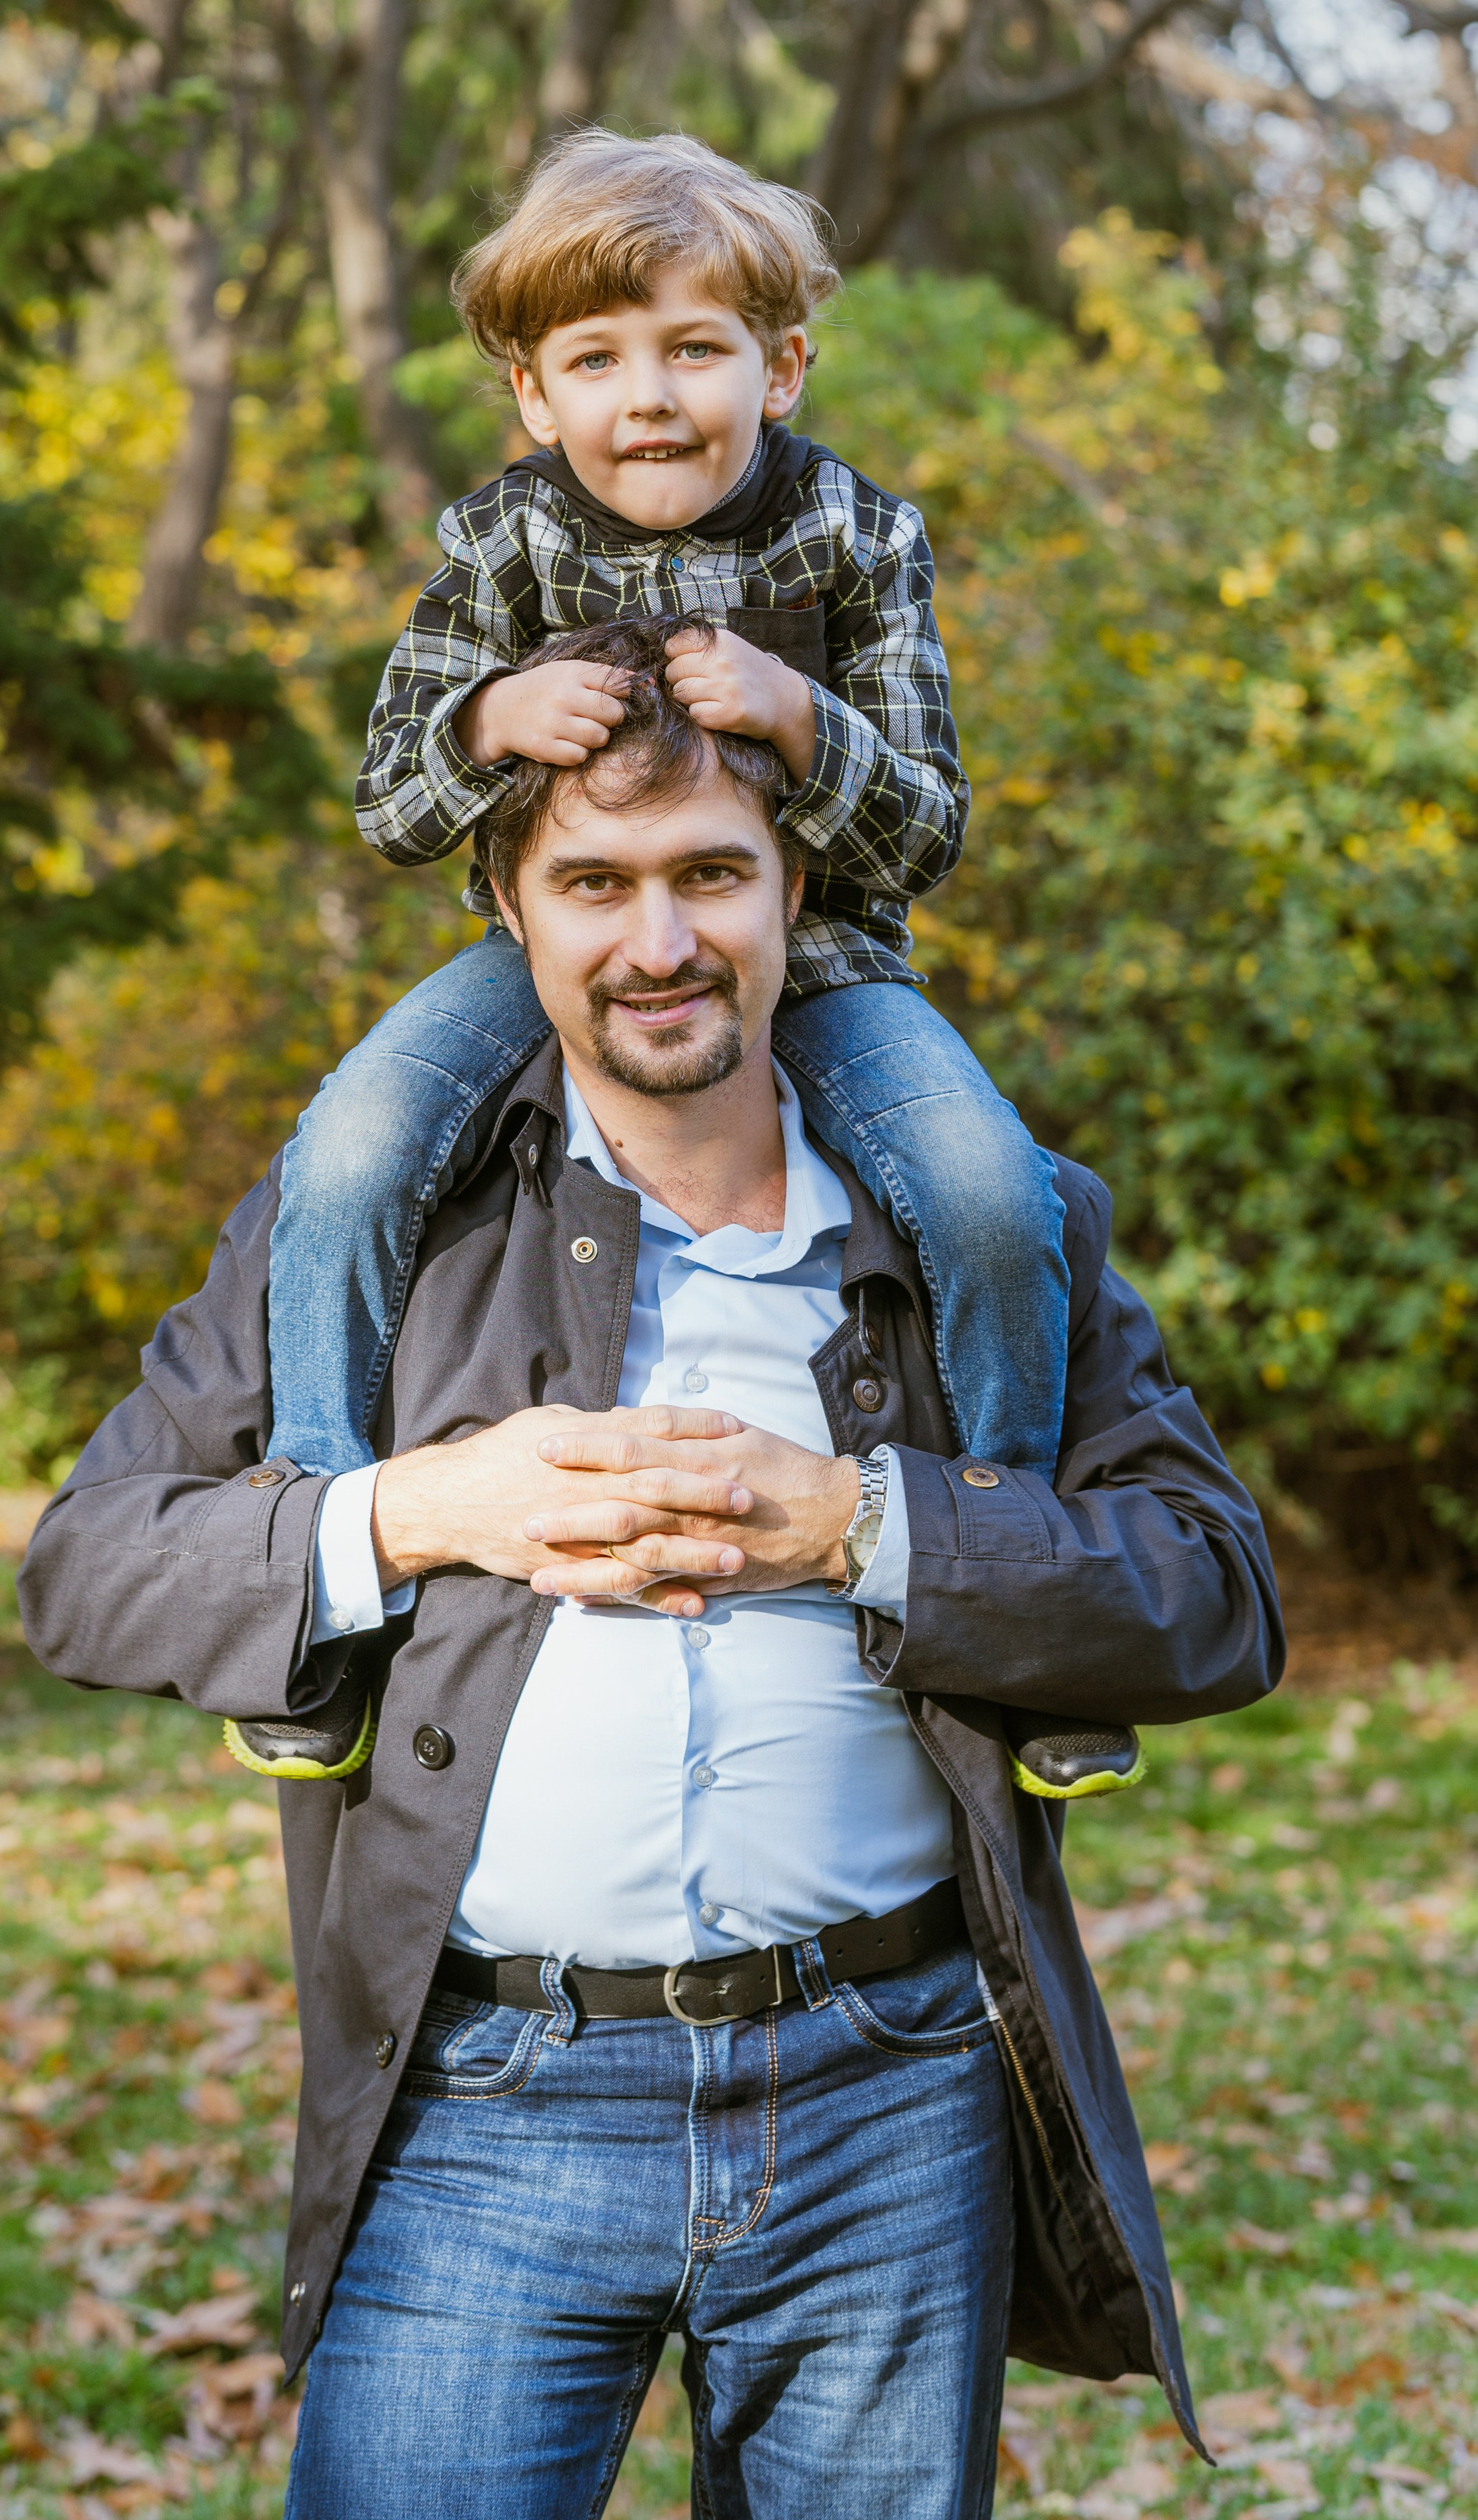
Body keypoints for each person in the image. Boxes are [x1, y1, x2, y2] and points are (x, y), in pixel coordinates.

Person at [18, 676, 1282, 2519]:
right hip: (480, 2100)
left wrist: (856, 1525)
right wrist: (421, 1505)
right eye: (596, 884)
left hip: (890, 2096)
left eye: (712, 873)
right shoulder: (363, 1238)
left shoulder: (987, 1222)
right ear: (512, 913)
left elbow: (1214, 1592)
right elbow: (89, 1566)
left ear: (795, 898)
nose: (661, 940)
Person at [240, 124, 1139, 1799]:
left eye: (692, 347)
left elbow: (927, 832)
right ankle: (316, 1563)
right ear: (532, 394)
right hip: (546, 964)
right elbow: (386, 801)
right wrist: (491, 716)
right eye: (595, 358)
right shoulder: (498, 550)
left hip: (835, 960)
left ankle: (1012, 1587)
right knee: (349, 1150)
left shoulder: (856, 542)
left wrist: (803, 722)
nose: (645, 394)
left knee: (989, 1193)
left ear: (779, 365)